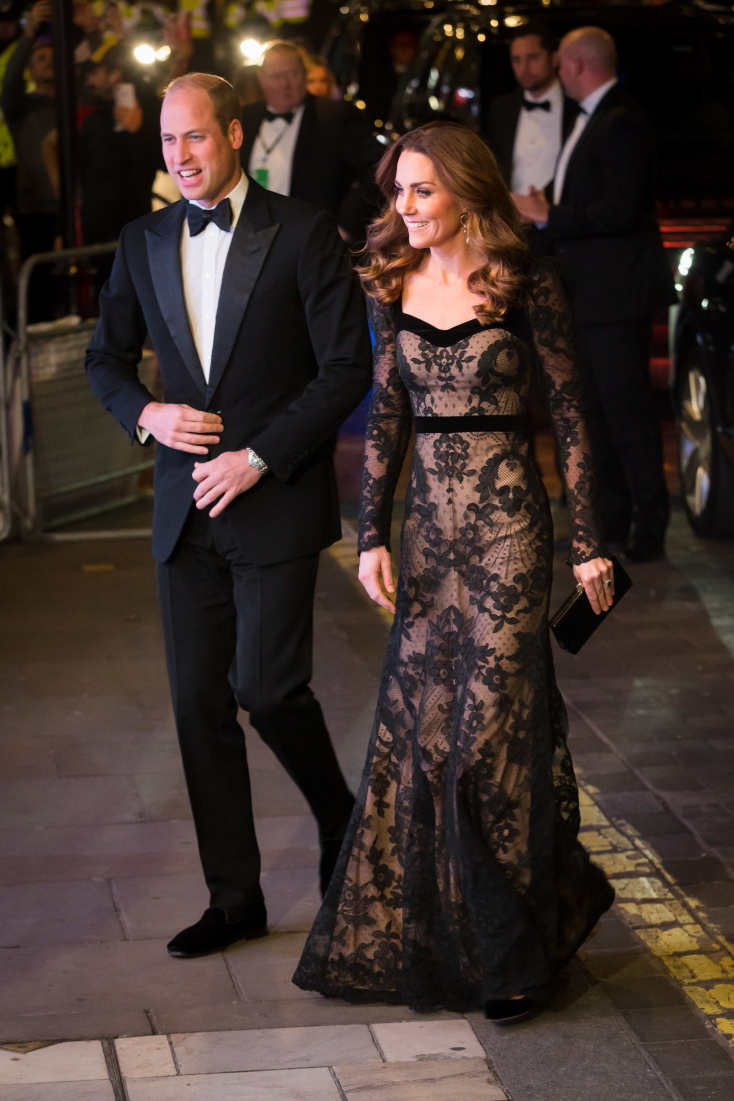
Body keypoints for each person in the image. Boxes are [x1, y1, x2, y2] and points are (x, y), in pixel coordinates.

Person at [294, 121, 615, 1021]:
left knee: (487, 740)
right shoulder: (389, 280)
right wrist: (371, 536)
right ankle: (528, 911)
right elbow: (387, 415)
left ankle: (512, 956)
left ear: (468, 193)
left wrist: (589, 540)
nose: (404, 206)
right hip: (430, 539)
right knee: (427, 737)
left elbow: (571, 413)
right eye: (397, 189)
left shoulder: (525, 281)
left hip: (511, 530)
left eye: (421, 190)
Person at [85, 72, 373, 958]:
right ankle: (235, 898)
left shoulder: (302, 231)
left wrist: (258, 457)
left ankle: (340, 814)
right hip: (185, 512)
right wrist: (148, 414)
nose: (180, 155)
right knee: (196, 704)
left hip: (275, 500)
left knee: (268, 688)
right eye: (168, 141)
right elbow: (104, 360)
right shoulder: (142, 239)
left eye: (196, 137)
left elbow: (346, 368)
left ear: (235, 134)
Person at [512, 27, 675, 562]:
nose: (557, 72)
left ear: (579, 65)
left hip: (616, 294)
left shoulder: (621, 120)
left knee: (627, 413)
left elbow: (620, 209)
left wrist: (548, 214)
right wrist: (545, 205)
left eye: (561, 63)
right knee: (596, 414)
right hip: (590, 294)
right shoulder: (594, 117)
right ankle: (610, 522)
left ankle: (650, 524)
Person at [240, 40, 383, 243]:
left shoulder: (333, 116)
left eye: (293, 74)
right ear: (261, 79)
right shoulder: (245, 117)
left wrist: (346, 224)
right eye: (276, 76)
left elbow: (379, 165)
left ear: (305, 74)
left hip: (311, 241)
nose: (285, 84)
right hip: (252, 237)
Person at [1, 0, 57, 321]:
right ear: (31, 70)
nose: (48, 64)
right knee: (39, 287)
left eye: (53, 58)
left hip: (73, 205)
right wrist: (28, 35)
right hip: (36, 207)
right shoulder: (22, 108)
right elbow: (9, 83)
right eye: (40, 59)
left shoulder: (72, 104)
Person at [484, 24, 577, 209]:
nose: (523, 68)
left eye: (533, 58)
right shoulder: (501, 109)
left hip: (562, 217)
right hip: (512, 217)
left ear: (554, 58)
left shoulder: (576, 107)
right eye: (516, 60)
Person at [80, 44, 161, 247]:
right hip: (98, 230)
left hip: (134, 224)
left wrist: (138, 130)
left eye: (94, 74)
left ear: (114, 75)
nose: (89, 81)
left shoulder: (149, 113)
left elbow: (164, 162)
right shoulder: (95, 119)